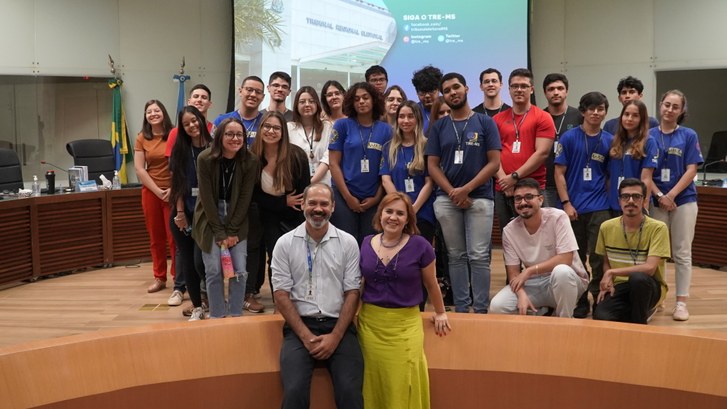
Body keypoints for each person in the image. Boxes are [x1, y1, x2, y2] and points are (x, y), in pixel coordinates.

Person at [271, 183, 363, 409]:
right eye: (312, 203)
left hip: (339, 327)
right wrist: (305, 336)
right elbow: (281, 294)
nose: (318, 209)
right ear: (303, 205)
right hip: (299, 328)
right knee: (293, 392)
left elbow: (353, 292)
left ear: (333, 207)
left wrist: (335, 336)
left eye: (324, 204)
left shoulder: (348, 243)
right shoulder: (285, 243)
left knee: (350, 392)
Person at [358, 192, 450, 409]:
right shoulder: (365, 243)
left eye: (400, 213)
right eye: (389, 211)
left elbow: (431, 284)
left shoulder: (421, 245)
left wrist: (441, 312)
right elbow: (359, 285)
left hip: (405, 327)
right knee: (373, 381)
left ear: (408, 219)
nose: (393, 217)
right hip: (370, 325)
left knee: (403, 380)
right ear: (380, 214)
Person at [425, 72, 501, 313]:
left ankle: (480, 310)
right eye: (446, 90)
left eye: (456, 87)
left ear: (467, 89)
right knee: (455, 256)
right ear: (444, 96)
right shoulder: (439, 127)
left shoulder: (485, 122)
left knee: (478, 255)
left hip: (479, 198)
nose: (452, 92)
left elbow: (494, 163)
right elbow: (432, 165)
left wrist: (466, 189)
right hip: (446, 200)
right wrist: (452, 192)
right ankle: (461, 308)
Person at [489, 178, 588, 317]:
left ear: (541, 199)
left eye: (529, 197)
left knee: (562, 272)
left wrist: (529, 271)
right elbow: (513, 274)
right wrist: (521, 295)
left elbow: (566, 259)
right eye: (518, 199)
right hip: (534, 283)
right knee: (497, 306)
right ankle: (541, 311)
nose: (523, 202)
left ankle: (565, 321)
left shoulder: (558, 217)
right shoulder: (509, 231)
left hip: (566, 280)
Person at [554, 92, 613, 317]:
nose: (596, 113)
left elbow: (609, 175)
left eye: (600, 109)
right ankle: (579, 299)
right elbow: (559, 173)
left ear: (605, 112)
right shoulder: (568, 138)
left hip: (599, 207)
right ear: (583, 112)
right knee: (575, 258)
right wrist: (566, 203)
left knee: (598, 258)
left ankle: (598, 297)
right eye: (591, 109)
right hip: (573, 208)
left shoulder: (609, 140)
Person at [192, 118, 259, 318]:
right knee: (213, 270)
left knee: (239, 270)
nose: (235, 138)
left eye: (239, 135)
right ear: (220, 136)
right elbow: (206, 199)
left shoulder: (251, 160)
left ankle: (236, 314)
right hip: (209, 215)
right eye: (229, 134)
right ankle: (217, 316)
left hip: (237, 217)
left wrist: (231, 231)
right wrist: (220, 233)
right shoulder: (205, 158)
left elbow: (245, 198)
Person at [213, 76, 266, 312]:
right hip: (225, 193)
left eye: (258, 92)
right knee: (219, 248)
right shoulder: (224, 120)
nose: (253, 95)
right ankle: (214, 298)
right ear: (240, 90)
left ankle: (249, 293)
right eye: (249, 90)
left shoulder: (266, 121)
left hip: (258, 191)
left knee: (253, 245)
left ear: (262, 97)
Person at [649, 90, 704, 321]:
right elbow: (645, 172)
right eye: (667, 105)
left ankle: (681, 302)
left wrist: (670, 195)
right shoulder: (649, 134)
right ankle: (657, 297)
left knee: (682, 252)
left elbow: (692, 169)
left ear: (681, 111)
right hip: (656, 200)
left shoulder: (689, 135)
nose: (670, 110)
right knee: (656, 254)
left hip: (683, 200)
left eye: (675, 107)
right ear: (660, 106)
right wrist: (660, 194)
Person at [164, 84, 214, 313]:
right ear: (182, 128)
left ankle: (209, 300)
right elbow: (178, 186)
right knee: (187, 261)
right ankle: (196, 306)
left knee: (200, 261)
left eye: (194, 121)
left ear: (201, 120)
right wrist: (181, 214)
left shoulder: (215, 147)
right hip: (184, 212)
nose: (192, 125)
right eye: (186, 124)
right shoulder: (180, 150)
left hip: (207, 214)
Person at [593, 178, 670, 325]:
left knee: (638, 278)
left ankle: (640, 326)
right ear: (619, 200)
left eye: (636, 196)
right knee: (602, 316)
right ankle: (639, 310)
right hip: (620, 286)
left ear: (644, 200)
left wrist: (611, 273)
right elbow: (606, 263)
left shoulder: (658, 228)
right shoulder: (606, 227)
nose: (630, 201)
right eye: (625, 196)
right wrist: (608, 281)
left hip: (649, 285)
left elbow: (649, 268)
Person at [251, 111, 310, 292]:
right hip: (265, 213)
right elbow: (253, 195)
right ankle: (279, 297)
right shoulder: (251, 157)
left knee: (295, 257)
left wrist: (294, 210)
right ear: (260, 129)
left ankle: (298, 293)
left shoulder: (297, 155)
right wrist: (282, 202)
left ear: (283, 131)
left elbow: (303, 192)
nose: (271, 131)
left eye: (276, 127)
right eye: (267, 126)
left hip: (295, 214)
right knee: (275, 255)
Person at [328, 81, 392, 244]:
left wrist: (377, 197)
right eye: (357, 99)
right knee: (345, 244)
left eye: (365, 98)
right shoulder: (342, 125)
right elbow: (333, 164)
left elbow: (386, 168)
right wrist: (348, 197)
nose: (361, 102)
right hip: (344, 195)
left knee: (370, 244)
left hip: (374, 197)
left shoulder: (386, 130)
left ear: (374, 100)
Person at [493, 68, 555, 230]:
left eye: (523, 86)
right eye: (514, 86)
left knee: (541, 235)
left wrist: (514, 177)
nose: (519, 90)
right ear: (509, 89)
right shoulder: (497, 119)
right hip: (503, 190)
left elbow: (542, 153)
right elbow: (492, 155)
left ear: (531, 89)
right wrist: (505, 181)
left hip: (533, 187)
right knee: (509, 238)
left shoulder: (543, 117)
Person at [134, 99, 176, 294]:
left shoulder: (175, 133)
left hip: (174, 192)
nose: (153, 114)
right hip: (151, 192)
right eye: (149, 111)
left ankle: (179, 278)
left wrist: (172, 189)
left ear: (163, 112)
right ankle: (159, 277)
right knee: (156, 237)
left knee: (174, 238)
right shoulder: (142, 137)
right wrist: (158, 191)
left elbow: (182, 164)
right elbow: (140, 170)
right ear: (145, 116)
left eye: (156, 110)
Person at [380, 101, 435, 242]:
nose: (405, 121)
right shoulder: (388, 148)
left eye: (410, 116)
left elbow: (429, 183)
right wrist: (401, 207)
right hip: (396, 214)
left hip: (422, 212)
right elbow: (386, 180)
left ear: (418, 119)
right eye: (402, 116)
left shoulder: (428, 146)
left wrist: (413, 209)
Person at [607, 100, 659, 213]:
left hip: (635, 204)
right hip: (614, 203)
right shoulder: (614, 141)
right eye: (626, 114)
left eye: (635, 115)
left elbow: (646, 178)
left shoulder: (649, 142)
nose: (629, 119)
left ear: (642, 119)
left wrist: (644, 205)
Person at [542, 73, 582, 207]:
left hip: (573, 183)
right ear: (545, 93)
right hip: (546, 184)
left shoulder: (579, 116)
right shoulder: (539, 117)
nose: (555, 92)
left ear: (567, 91)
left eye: (560, 88)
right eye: (551, 89)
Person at [288, 86, 333, 185]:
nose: (307, 105)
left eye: (311, 101)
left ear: (317, 104)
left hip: (324, 183)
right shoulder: (289, 128)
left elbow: (328, 158)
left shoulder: (327, 126)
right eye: (302, 102)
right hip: (297, 183)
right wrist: (303, 185)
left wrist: (310, 183)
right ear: (296, 105)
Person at [411, 65, 443, 133]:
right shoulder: (413, 111)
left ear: (439, 89)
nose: (427, 96)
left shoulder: (448, 109)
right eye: (423, 92)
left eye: (431, 91)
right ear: (416, 92)